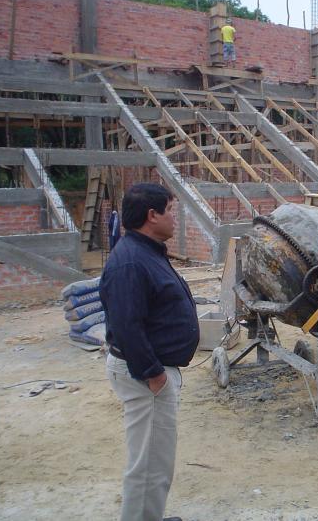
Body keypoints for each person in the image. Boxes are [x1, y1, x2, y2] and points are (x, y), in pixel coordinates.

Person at [101, 183, 199, 521]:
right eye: (171, 210)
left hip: (151, 373)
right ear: (151, 215)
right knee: (148, 467)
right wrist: (155, 375)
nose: (175, 217)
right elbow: (127, 325)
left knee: (156, 459)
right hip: (146, 377)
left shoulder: (146, 251)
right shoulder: (130, 263)